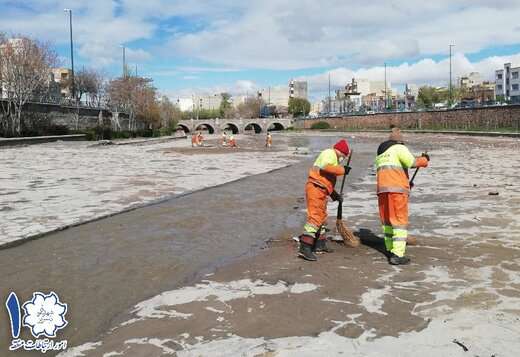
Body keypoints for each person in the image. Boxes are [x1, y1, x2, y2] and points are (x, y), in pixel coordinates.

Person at [375, 128, 430, 265]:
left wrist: (405, 182)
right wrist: (424, 160)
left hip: (382, 191)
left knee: (387, 221)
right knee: (399, 222)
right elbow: (412, 163)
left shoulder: (381, 155)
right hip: (397, 191)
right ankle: (397, 254)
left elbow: (392, 171)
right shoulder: (399, 148)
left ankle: (389, 249)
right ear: (399, 141)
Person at [298, 139, 352, 261]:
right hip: (315, 188)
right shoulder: (329, 153)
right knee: (315, 217)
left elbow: (326, 182)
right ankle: (305, 247)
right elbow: (325, 167)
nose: (342, 159)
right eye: (343, 156)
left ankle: (320, 245)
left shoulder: (333, 159)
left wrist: (335, 196)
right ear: (341, 152)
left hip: (321, 189)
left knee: (322, 217)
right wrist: (343, 170)